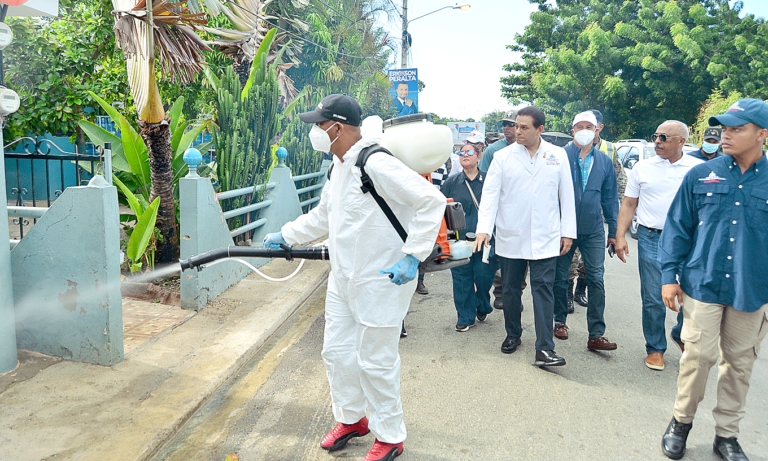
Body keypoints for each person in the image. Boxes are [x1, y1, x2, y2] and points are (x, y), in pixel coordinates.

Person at [263, 94, 445, 461]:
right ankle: (352, 419)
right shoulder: (338, 165)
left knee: (375, 360)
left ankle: (390, 435)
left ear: (338, 127)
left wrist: (412, 256)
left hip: (382, 279)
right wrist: (287, 234)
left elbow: (431, 200)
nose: (315, 131)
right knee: (337, 352)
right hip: (344, 276)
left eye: (319, 124)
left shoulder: (374, 161)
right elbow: (323, 216)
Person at [658, 98, 768, 461]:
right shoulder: (702, 174)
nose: (726, 135)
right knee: (698, 357)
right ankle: (680, 423)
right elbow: (677, 227)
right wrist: (668, 275)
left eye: (738, 129)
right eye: (725, 128)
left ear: (761, 135)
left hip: (751, 288)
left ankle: (727, 436)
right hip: (702, 283)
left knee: (739, 365)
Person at [474, 106, 576, 367]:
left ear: (540, 129)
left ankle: (544, 348)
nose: (517, 131)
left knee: (543, 289)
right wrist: (484, 229)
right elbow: (490, 195)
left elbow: (567, 195)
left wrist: (568, 232)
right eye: (516, 126)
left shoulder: (557, 155)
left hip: (547, 236)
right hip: (511, 234)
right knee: (509, 289)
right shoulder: (503, 157)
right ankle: (513, 333)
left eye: (524, 127)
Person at [614, 120, 703, 372]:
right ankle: (655, 348)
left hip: (689, 240)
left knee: (689, 295)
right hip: (652, 238)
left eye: (664, 137)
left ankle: (680, 333)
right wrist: (620, 236)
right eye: (656, 136)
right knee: (653, 295)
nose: (657, 142)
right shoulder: (643, 168)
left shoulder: (697, 169)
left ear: (681, 141)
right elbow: (629, 204)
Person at [552, 112, 619, 350]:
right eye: (579, 126)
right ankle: (559, 321)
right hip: (564, 230)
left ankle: (596, 334)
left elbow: (611, 197)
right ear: (572, 131)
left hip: (593, 230)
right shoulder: (560, 156)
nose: (584, 130)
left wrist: (614, 231)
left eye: (588, 126)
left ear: (597, 129)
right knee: (560, 278)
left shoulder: (604, 161)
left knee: (596, 279)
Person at [440, 143, 496, 331]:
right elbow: (440, 209)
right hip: (459, 241)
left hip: (485, 241)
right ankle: (465, 316)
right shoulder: (451, 182)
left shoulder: (490, 181)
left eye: (469, 152)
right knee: (461, 278)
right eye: (461, 152)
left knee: (483, 276)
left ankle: (483, 304)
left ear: (479, 156)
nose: (465, 155)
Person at [477, 110, 527, 311]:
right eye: (504, 124)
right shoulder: (494, 151)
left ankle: (517, 292)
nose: (506, 127)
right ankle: (500, 292)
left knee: (521, 255)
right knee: (499, 255)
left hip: (521, 212)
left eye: (510, 124)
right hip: (499, 212)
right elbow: (485, 183)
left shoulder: (527, 148)